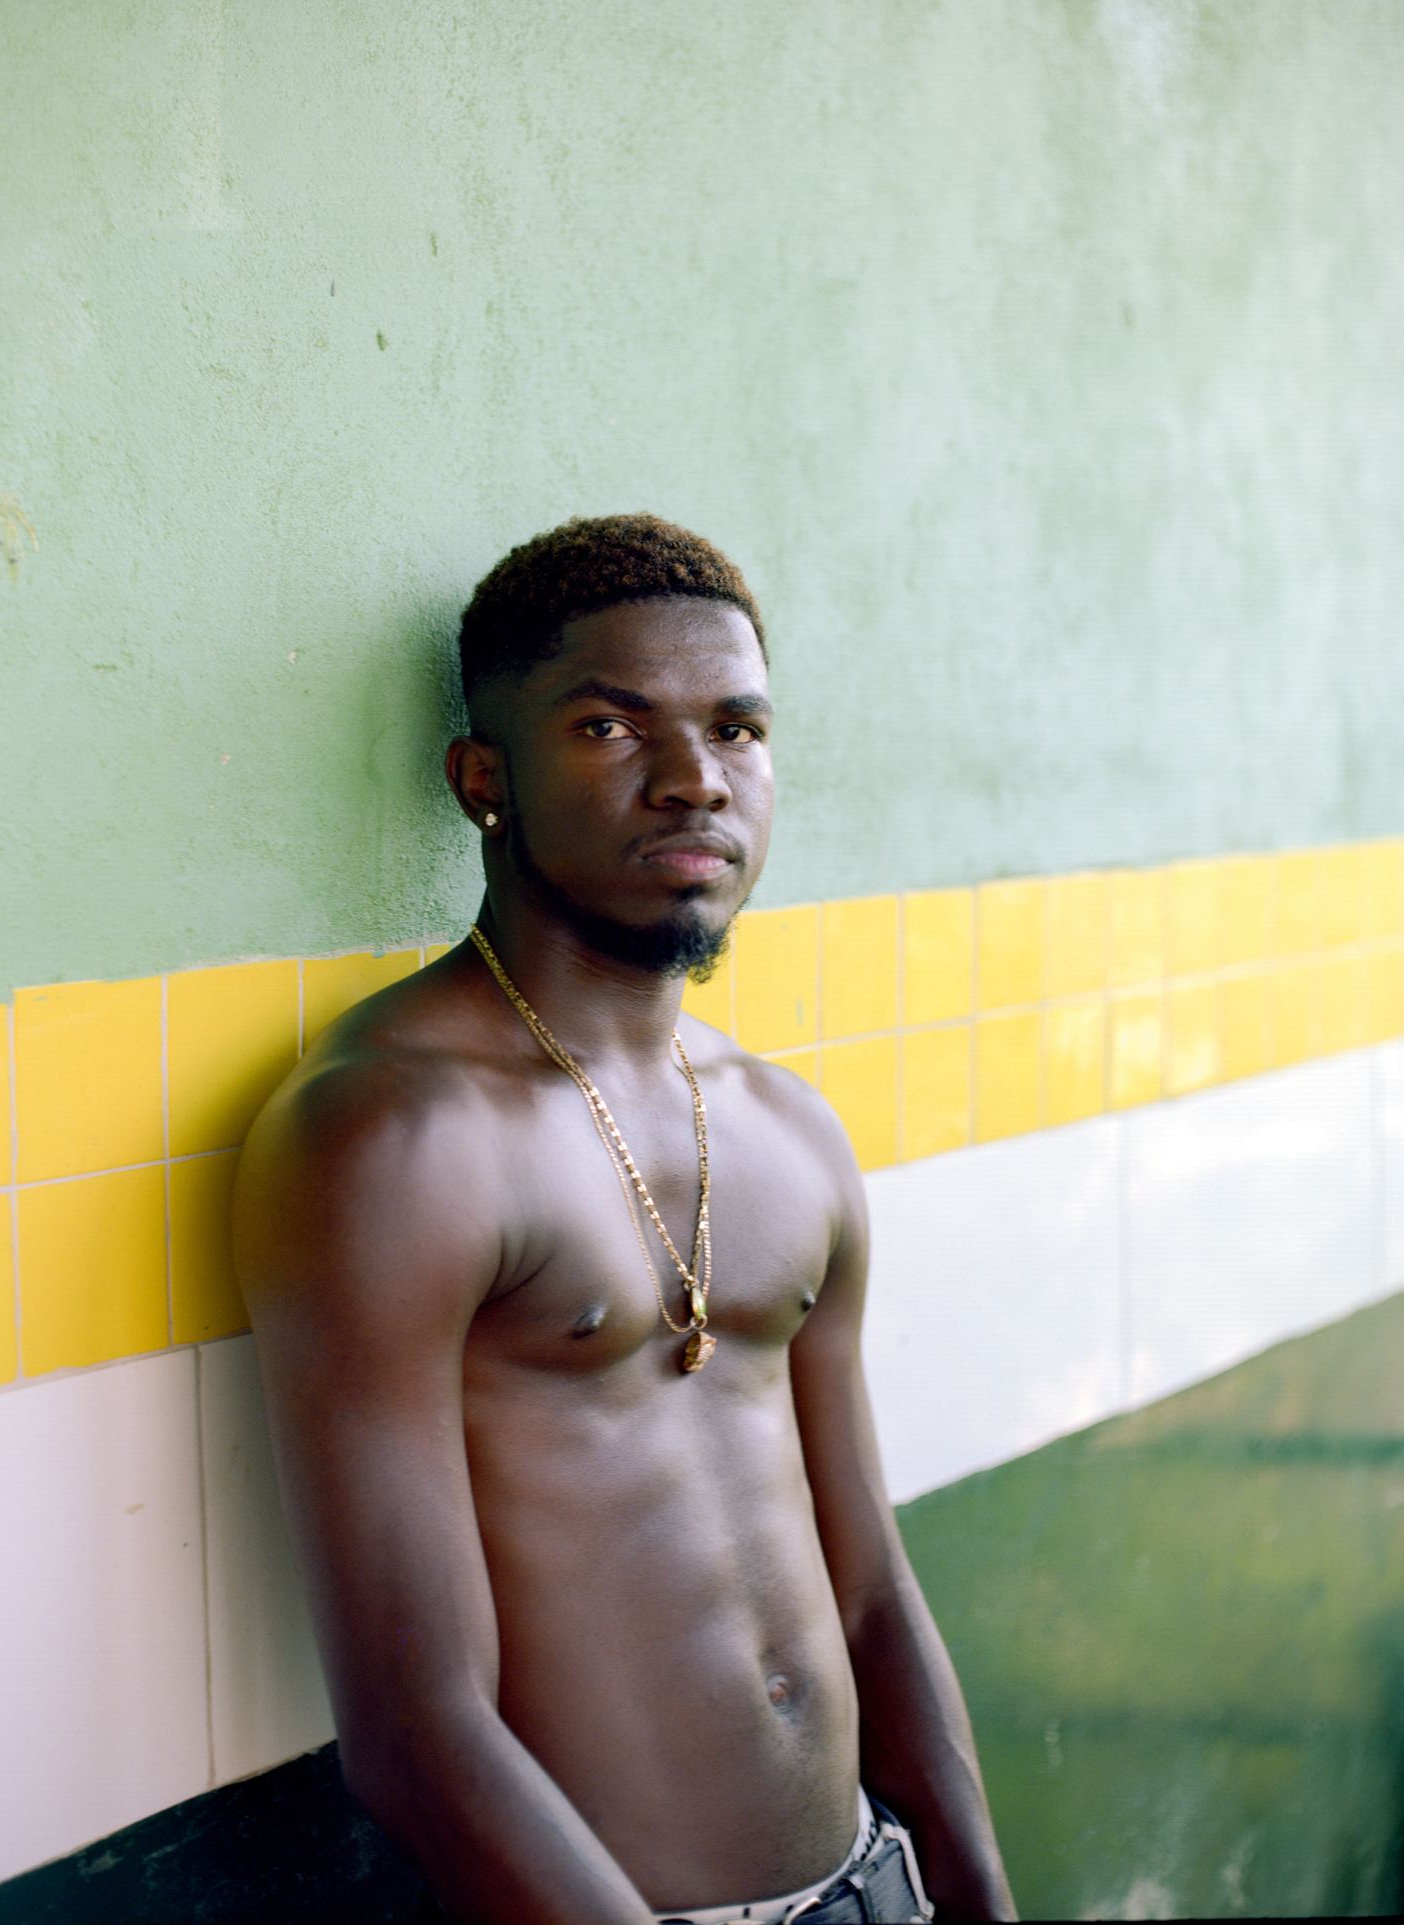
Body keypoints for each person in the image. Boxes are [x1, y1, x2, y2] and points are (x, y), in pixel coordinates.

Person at [234, 515, 1017, 1924]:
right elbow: (419, 1735)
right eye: (609, 726)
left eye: (739, 728)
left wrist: (974, 1895)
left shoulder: (791, 1132)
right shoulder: (396, 1131)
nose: (692, 780)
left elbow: (874, 1597)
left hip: (872, 1878)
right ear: (486, 780)